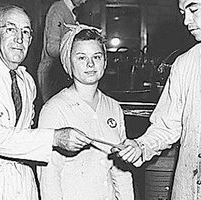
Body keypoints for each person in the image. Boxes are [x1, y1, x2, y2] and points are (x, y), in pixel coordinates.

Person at [0, 5, 91, 200]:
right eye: (11, 29)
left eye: (25, 32)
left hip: (19, 183)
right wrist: (54, 138)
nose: (19, 39)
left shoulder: (26, 81)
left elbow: (23, 136)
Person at [114, 0, 201, 199]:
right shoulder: (183, 65)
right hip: (187, 190)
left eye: (193, 9)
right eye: (182, 12)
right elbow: (167, 126)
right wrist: (141, 145)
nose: (186, 20)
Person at [37, 24, 134, 200]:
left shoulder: (113, 107)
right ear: (68, 61)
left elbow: (120, 170)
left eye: (96, 56)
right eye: (81, 58)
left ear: (105, 61)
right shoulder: (54, 110)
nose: (90, 64)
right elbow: (48, 178)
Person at [37, 0, 88, 103]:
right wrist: (76, 54)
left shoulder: (70, 10)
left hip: (61, 73)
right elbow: (51, 48)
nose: (84, 1)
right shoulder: (58, 10)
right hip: (51, 74)